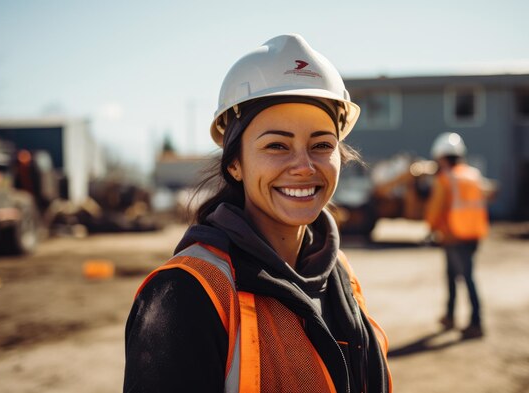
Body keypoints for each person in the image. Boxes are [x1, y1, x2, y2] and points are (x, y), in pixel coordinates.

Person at [124, 34, 392, 392]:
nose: (304, 166)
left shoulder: (339, 273)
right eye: (277, 145)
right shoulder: (186, 294)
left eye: (321, 145)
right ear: (235, 163)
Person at [425, 132, 488, 339]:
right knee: (453, 276)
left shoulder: (445, 179)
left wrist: (431, 227)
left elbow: (436, 208)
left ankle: (476, 323)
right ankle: (450, 316)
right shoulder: (473, 175)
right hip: (474, 234)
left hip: (454, 235)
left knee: (465, 278)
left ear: (442, 157)